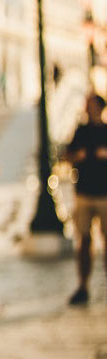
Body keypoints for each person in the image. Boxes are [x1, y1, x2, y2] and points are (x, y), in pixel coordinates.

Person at [64, 93, 107, 305]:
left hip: (104, 194)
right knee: (84, 241)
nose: (90, 109)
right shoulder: (81, 131)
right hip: (84, 193)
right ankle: (83, 285)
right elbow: (66, 154)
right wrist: (76, 156)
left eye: (93, 105)